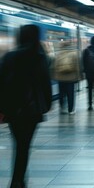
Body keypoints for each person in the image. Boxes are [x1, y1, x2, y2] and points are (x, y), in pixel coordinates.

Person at [0, 24, 52, 188]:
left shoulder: (9, 56)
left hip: (13, 110)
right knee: (24, 145)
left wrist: (2, 109)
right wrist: (47, 105)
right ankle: (18, 180)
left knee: (19, 144)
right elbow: (46, 85)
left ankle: (18, 180)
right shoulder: (39, 57)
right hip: (32, 111)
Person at [52, 40, 81, 115]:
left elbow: (55, 66)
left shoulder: (58, 54)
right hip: (71, 78)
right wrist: (78, 77)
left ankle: (62, 108)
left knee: (61, 94)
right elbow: (77, 66)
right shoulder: (74, 54)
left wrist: (55, 76)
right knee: (70, 94)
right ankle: (71, 110)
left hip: (61, 78)